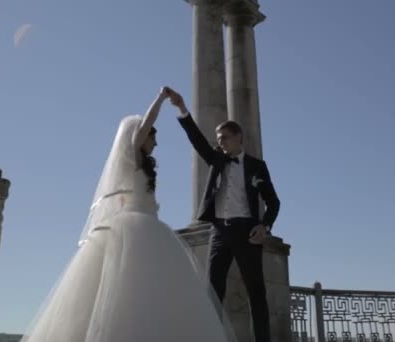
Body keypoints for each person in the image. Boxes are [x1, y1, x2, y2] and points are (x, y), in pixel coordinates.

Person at [21, 87, 235, 342]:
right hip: (136, 230)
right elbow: (147, 123)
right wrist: (162, 98)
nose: (155, 142)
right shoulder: (132, 156)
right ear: (141, 138)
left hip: (151, 226)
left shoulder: (142, 163)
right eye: (152, 137)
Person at [168, 88, 281, 342]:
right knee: (212, 292)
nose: (220, 142)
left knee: (256, 291)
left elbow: (273, 202)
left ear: (239, 137)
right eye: (218, 138)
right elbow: (197, 139)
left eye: (225, 138)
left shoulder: (257, 167)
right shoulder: (216, 159)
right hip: (220, 231)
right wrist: (182, 109)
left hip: (248, 232)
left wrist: (265, 226)